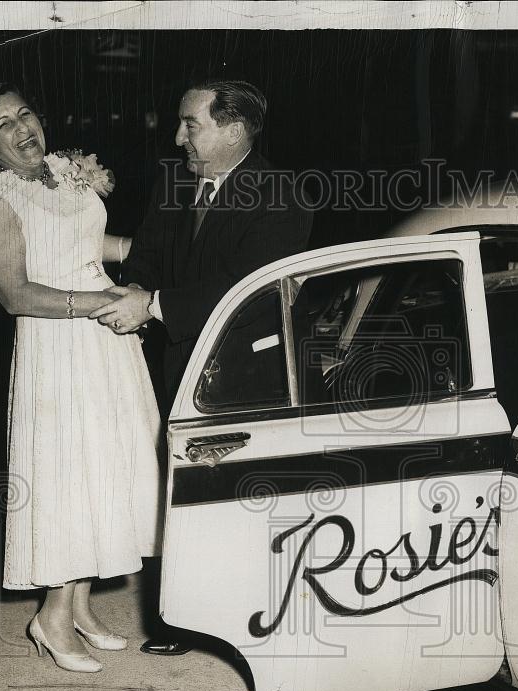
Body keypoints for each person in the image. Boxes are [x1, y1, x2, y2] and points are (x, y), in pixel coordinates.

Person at [90, 79, 313, 655]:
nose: (177, 135)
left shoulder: (280, 195)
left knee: (234, 498)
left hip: (243, 373)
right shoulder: (174, 184)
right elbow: (145, 258)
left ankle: (255, 620)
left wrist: (155, 305)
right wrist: (135, 289)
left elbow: (247, 290)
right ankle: (179, 618)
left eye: (191, 124)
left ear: (235, 129)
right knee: (180, 492)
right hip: (175, 361)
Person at [0, 79, 163, 672]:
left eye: (26, 114)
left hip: (107, 344)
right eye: (4, 124)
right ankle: (50, 617)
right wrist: (98, 304)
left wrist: (151, 248)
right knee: (69, 475)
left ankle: (77, 606)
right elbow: (13, 292)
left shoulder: (64, 172)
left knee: (107, 466)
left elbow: (83, 241)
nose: (23, 129)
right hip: (59, 346)